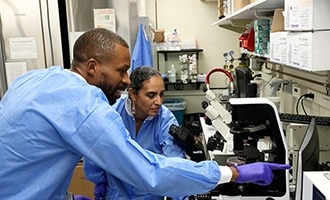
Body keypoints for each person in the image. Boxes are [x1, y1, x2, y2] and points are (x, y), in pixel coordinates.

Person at [0, 28, 290, 199]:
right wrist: (234, 172)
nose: (126, 80)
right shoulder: (87, 107)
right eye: (121, 70)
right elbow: (150, 171)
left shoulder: (35, 78)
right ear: (91, 67)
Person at [84, 66, 187, 200]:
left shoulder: (165, 120)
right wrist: (101, 182)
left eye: (161, 94)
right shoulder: (112, 113)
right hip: (116, 194)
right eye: (151, 95)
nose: (159, 102)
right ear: (133, 94)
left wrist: (180, 196)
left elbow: (175, 166)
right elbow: (95, 154)